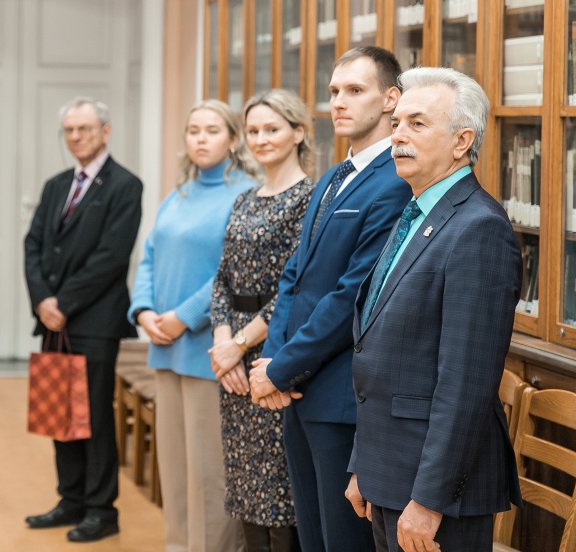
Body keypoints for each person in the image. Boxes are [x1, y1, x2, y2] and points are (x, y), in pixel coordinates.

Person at [344, 67, 521, 552]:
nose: (398, 135)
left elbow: (464, 384)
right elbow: (379, 353)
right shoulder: (416, 212)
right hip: (388, 470)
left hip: (434, 492)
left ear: (462, 140)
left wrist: (429, 500)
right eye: (397, 122)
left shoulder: (478, 229)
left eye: (417, 124)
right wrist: (364, 464)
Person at [249, 47, 412, 552]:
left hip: (341, 395)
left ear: (391, 99)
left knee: (343, 541)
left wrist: (280, 368)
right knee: (312, 538)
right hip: (299, 388)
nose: (339, 103)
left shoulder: (394, 182)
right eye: (334, 92)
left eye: (354, 91)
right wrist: (272, 357)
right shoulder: (334, 177)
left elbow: (352, 297)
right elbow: (293, 276)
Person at [129, 99, 258, 552]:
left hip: (209, 347)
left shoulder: (245, 193)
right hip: (164, 345)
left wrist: (183, 317)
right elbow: (149, 255)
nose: (201, 139)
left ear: (233, 140)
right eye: (193, 131)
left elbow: (230, 270)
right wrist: (143, 311)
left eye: (212, 130)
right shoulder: (179, 193)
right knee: (176, 467)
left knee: (210, 472)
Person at [23, 97, 142, 543]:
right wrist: (42, 301)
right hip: (53, 319)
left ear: (105, 132)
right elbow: (32, 244)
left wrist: (63, 303)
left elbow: (111, 258)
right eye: (70, 130)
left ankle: (100, 509)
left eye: (85, 129)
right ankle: (69, 499)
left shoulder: (125, 186)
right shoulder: (57, 185)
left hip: (93, 320)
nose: (76, 137)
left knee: (91, 415)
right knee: (59, 410)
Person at [210, 90, 314, 552]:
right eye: (253, 130)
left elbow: (296, 290)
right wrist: (222, 345)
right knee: (245, 492)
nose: (261, 138)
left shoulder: (310, 200)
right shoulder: (245, 198)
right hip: (232, 363)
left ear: (298, 132)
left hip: (272, 358)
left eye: (272, 129)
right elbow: (222, 279)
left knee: (279, 493)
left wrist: (242, 346)